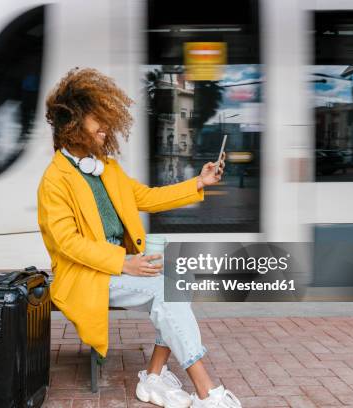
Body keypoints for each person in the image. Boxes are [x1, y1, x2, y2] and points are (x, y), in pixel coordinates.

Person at [37, 68, 240, 408]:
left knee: (180, 277)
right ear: (70, 125)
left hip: (119, 267)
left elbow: (146, 197)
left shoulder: (106, 168)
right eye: (96, 121)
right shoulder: (54, 181)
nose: (105, 127)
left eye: (106, 120)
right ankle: (207, 391)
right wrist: (123, 263)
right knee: (164, 289)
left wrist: (199, 183)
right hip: (87, 275)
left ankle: (154, 377)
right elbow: (67, 243)